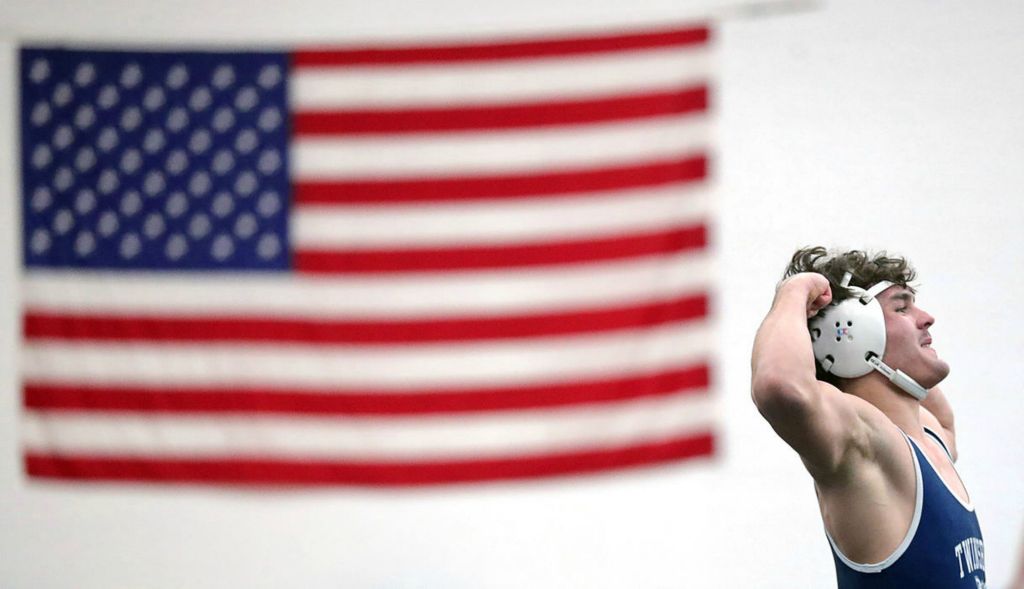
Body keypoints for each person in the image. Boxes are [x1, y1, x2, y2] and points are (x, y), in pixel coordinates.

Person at [750, 247, 985, 588]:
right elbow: (779, 385)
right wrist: (795, 290)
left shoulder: (931, 438)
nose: (927, 317)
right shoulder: (863, 445)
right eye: (902, 307)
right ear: (855, 331)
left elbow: (944, 418)